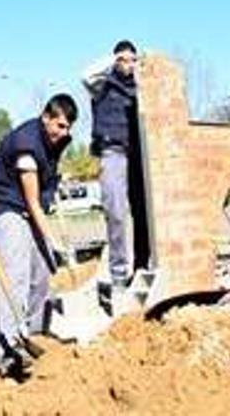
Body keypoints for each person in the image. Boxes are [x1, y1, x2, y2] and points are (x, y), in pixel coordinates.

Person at [0, 93, 77, 374]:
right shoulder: (26, 145)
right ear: (46, 117)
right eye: (59, 125)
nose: (64, 132)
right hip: (6, 205)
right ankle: (9, 347)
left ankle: (33, 336)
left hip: (29, 204)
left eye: (68, 127)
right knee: (17, 273)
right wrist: (56, 242)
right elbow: (31, 201)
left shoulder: (57, 139)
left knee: (44, 270)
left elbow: (44, 190)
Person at [82, 40, 151, 291]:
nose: (129, 65)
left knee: (145, 213)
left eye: (133, 60)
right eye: (124, 60)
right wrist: (116, 58)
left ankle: (143, 266)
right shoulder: (102, 83)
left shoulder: (140, 87)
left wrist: (146, 64)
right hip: (113, 152)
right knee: (116, 213)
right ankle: (119, 274)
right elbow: (85, 75)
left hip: (140, 156)